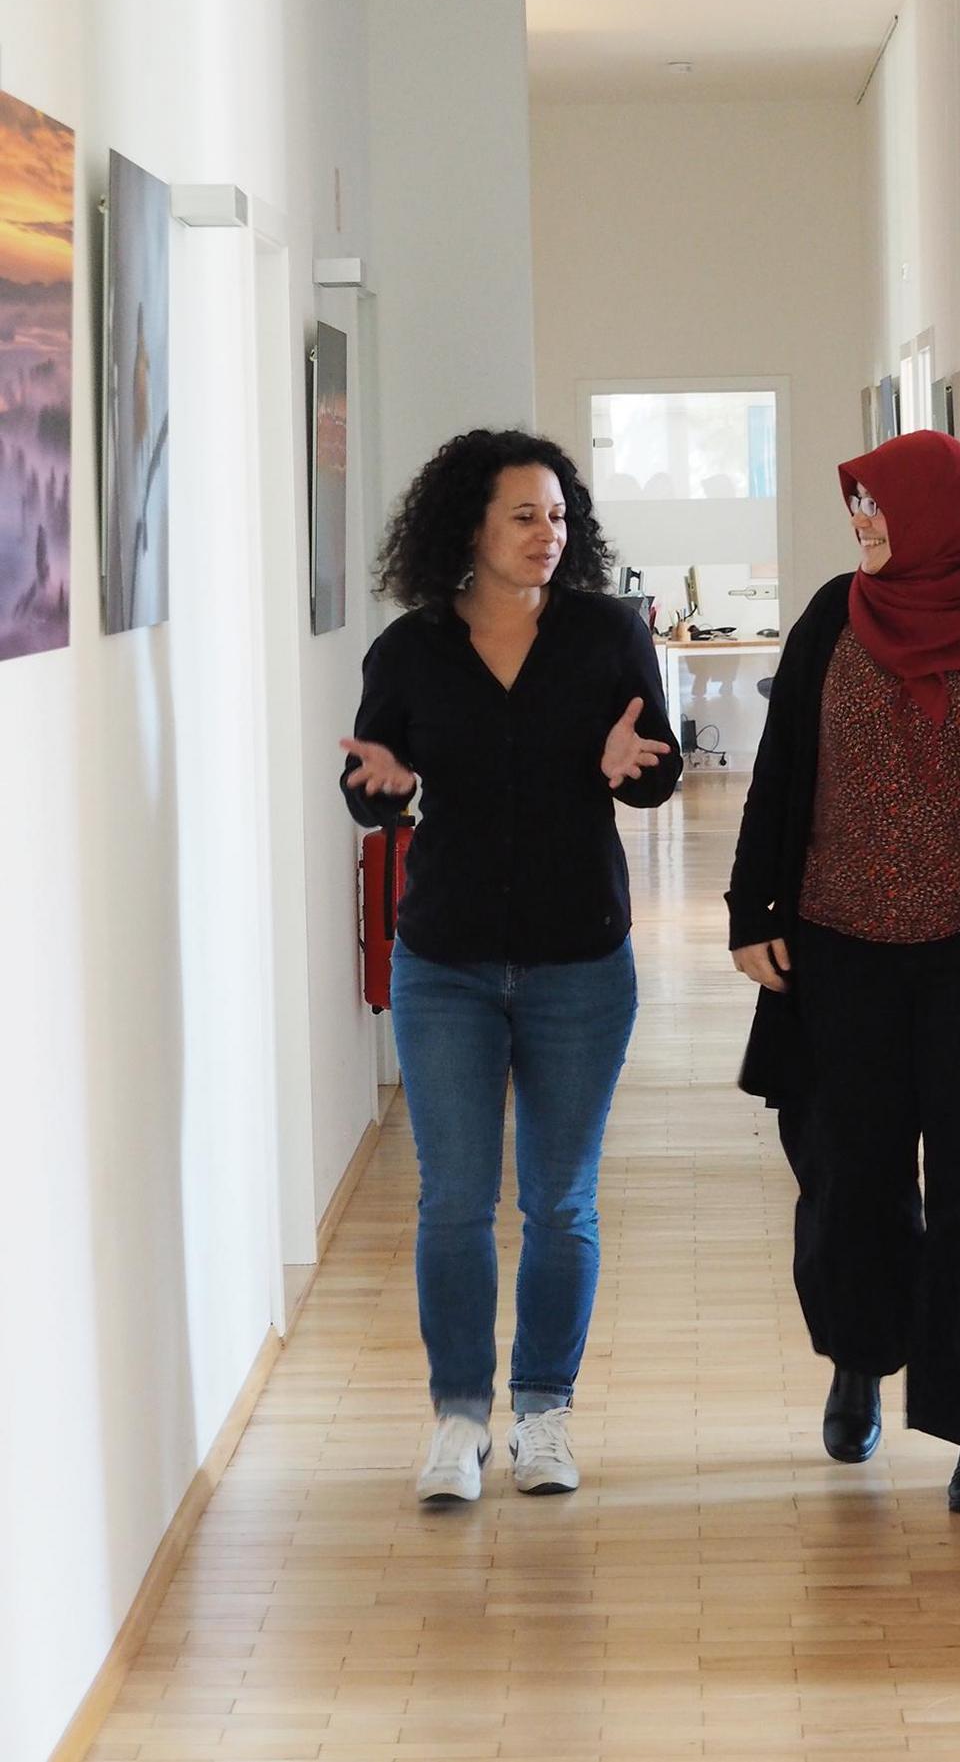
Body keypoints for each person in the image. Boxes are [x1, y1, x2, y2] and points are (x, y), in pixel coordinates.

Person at [726, 429, 960, 1513]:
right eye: (856, 510)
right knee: (848, 1182)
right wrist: (752, 909)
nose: (862, 526)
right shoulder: (832, 617)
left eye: (879, 508)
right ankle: (858, 1354)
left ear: (940, 510)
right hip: (838, 957)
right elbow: (780, 767)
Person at [340, 429, 680, 1504]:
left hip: (580, 957)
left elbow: (653, 771)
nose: (548, 536)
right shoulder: (409, 651)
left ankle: (542, 1414)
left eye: (559, 517)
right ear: (469, 529)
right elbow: (367, 783)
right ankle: (456, 1418)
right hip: (444, 959)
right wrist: (380, 789)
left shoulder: (608, 638)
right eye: (524, 517)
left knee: (558, 1200)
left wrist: (634, 772)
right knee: (450, 1200)